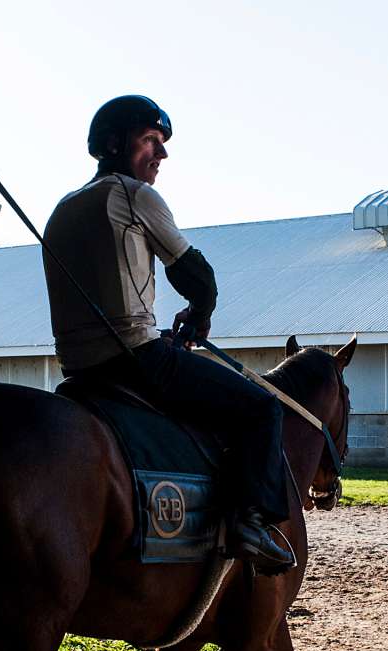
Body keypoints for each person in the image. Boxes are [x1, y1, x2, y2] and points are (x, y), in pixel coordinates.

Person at [42, 94, 293, 573]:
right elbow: (196, 273)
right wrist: (200, 312)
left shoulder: (62, 209)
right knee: (261, 407)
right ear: (114, 144)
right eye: (151, 140)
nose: (162, 154)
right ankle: (250, 523)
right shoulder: (135, 195)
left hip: (78, 372)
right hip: (137, 358)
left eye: (162, 144)